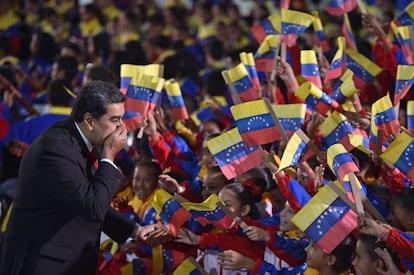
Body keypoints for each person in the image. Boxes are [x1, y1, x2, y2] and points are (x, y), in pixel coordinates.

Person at [0, 80, 164, 275]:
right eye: (114, 120)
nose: (121, 128)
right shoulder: (56, 149)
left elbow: (85, 195)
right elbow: (92, 206)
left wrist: (134, 231)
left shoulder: (75, 140)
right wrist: (109, 157)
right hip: (42, 263)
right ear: (89, 121)